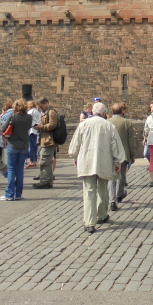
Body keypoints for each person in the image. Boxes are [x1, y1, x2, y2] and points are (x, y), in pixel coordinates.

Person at [68, 102, 124, 233]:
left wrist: (74, 156)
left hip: (87, 161)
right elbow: (115, 146)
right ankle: (101, 215)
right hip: (104, 161)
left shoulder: (83, 124)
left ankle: (89, 222)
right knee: (103, 189)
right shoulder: (109, 126)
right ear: (104, 113)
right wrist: (117, 162)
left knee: (89, 191)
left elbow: (75, 144)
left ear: (92, 112)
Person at [0, 98, 33, 201]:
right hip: (24, 145)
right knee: (20, 170)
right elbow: (28, 128)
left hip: (12, 145)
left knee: (11, 169)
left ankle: (9, 194)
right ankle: (18, 194)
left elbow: (2, 128)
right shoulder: (29, 117)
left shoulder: (13, 116)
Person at [108, 103, 135, 211]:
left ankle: (112, 201)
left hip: (110, 153)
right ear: (122, 111)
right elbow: (131, 140)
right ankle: (119, 194)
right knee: (121, 175)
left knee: (111, 177)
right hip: (123, 152)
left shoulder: (107, 122)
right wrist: (132, 155)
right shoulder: (127, 122)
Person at [32, 98, 59, 189]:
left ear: (46, 103)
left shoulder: (51, 112)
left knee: (44, 161)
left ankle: (45, 181)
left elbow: (53, 125)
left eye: (41, 106)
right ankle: (47, 181)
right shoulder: (44, 113)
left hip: (49, 140)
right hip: (44, 139)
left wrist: (41, 127)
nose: (40, 108)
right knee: (45, 161)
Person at [26, 100, 42, 168]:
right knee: (34, 147)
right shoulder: (37, 111)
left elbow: (26, 119)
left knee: (31, 146)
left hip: (32, 131)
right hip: (36, 131)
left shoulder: (31, 111)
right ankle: (34, 160)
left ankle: (32, 161)